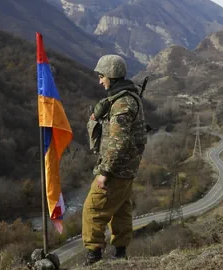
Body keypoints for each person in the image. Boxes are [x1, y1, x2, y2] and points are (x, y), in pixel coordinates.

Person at [82, 55, 147, 266]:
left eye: (102, 76)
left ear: (111, 76)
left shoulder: (122, 103)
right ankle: (120, 256)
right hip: (125, 169)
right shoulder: (124, 98)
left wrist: (105, 172)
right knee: (120, 210)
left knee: (93, 210)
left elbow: (119, 141)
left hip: (116, 170)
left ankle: (94, 259)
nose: (100, 81)